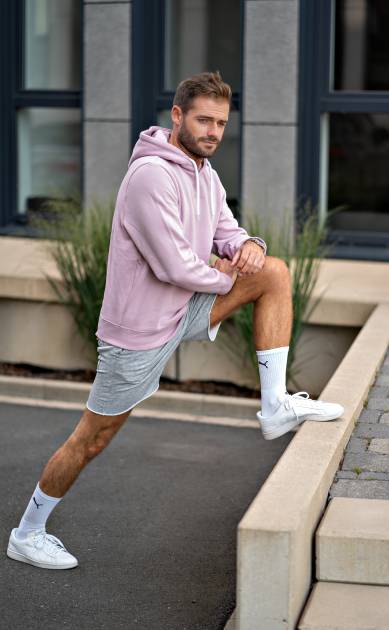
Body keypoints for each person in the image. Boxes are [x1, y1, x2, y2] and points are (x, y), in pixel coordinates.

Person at [7, 71, 343, 570]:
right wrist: (225, 276)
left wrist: (249, 247)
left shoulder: (205, 174)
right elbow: (174, 266)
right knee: (92, 439)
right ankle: (27, 532)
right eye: (204, 120)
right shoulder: (151, 176)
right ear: (178, 115)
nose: (213, 132)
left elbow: (228, 232)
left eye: (221, 123)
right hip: (138, 333)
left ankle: (275, 405)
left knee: (272, 272)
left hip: (183, 309)